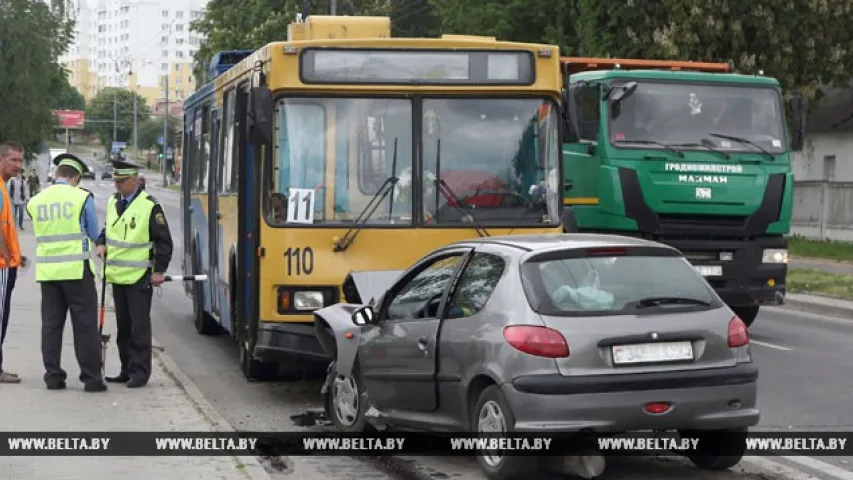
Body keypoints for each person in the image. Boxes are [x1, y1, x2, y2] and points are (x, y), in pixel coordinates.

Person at [26, 153, 106, 392]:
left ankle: (53, 376)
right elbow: (92, 232)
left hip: (48, 273)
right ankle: (91, 379)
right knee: (85, 326)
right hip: (76, 270)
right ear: (76, 177)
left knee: (51, 326)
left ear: (57, 175)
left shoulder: (36, 200)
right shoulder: (81, 197)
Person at [96, 159, 173, 388]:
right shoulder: (113, 201)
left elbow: (164, 241)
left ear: (134, 181)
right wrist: (101, 243)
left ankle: (140, 372)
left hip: (139, 277)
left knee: (139, 327)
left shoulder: (149, 205)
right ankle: (126, 369)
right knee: (123, 328)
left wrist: (159, 271)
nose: (117, 185)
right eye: (115, 181)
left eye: (121, 181)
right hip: (117, 275)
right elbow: (108, 229)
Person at [0, 141, 24, 383]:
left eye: (20, 161)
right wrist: (7, 256)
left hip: (6, 262)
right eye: (13, 160)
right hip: (2, 266)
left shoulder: (4, 187)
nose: (18, 165)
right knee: (0, 317)